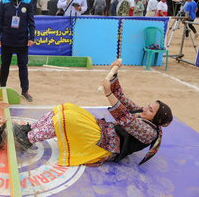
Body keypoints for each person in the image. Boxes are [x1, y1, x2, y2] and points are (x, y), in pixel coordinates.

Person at [14, 59, 173, 167]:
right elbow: (122, 98)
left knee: (67, 119)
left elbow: (127, 120)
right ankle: (29, 129)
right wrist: (115, 72)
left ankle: (27, 140)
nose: (145, 108)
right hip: (105, 133)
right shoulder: (143, 113)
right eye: (148, 105)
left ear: (156, 118)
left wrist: (108, 93)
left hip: (105, 147)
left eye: (150, 110)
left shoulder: (149, 132)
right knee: (67, 107)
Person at [0, 0, 35, 102]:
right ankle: (2, 89)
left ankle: (25, 91)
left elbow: (31, 22)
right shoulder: (4, 2)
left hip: (22, 42)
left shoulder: (27, 2)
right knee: (4, 66)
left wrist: (31, 37)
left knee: (23, 66)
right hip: (7, 40)